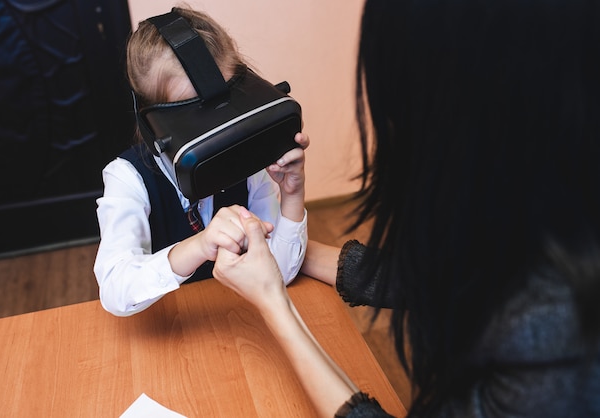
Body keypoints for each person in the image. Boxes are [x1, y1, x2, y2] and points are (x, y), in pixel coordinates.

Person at [212, 0, 600, 417]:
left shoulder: (557, 332)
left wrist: (275, 306)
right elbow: (441, 275)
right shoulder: (543, 206)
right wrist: (289, 246)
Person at [93, 5, 308, 317]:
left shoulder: (248, 170)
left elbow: (279, 275)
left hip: (234, 322)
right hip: (169, 330)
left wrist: (292, 195)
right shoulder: (128, 178)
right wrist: (199, 246)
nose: (214, 129)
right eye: (194, 117)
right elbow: (115, 291)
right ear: (154, 123)